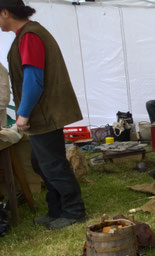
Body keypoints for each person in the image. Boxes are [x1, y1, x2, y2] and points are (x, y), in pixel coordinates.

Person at [0, 0, 87, 230]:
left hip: (44, 114)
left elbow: (34, 80)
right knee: (41, 163)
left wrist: (23, 114)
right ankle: (56, 208)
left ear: (6, 12)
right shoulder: (25, 35)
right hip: (42, 114)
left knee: (53, 165)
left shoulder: (30, 35)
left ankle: (74, 211)